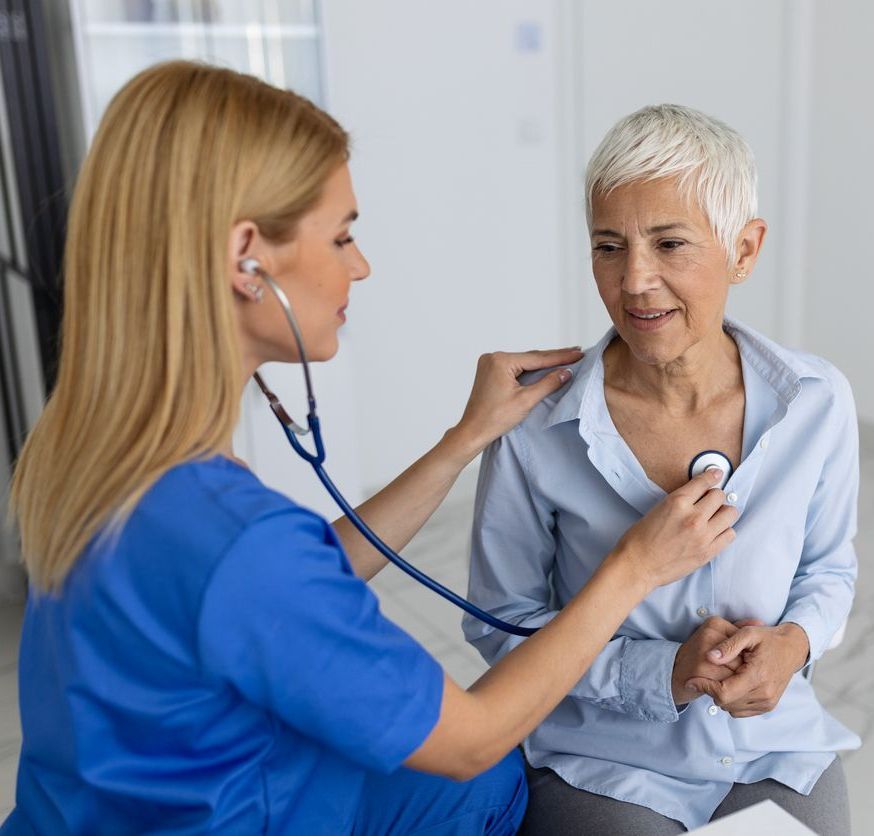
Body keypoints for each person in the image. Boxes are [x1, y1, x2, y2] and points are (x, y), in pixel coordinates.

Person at [2, 67, 737, 834]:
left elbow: (288, 583)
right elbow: (472, 736)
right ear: (247, 258)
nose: (361, 265)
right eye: (343, 235)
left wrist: (462, 442)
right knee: (485, 779)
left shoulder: (104, 455)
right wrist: (635, 568)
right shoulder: (237, 540)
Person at [463, 103, 860, 835]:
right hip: (604, 755)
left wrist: (794, 644)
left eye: (669, 243)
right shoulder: (535, 427)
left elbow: (830, 569)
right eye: (608, 246)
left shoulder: (817, 401)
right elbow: (500, 624)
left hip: (771, 747)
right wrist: (661, 674)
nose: (635, 280)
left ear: (745, 249)